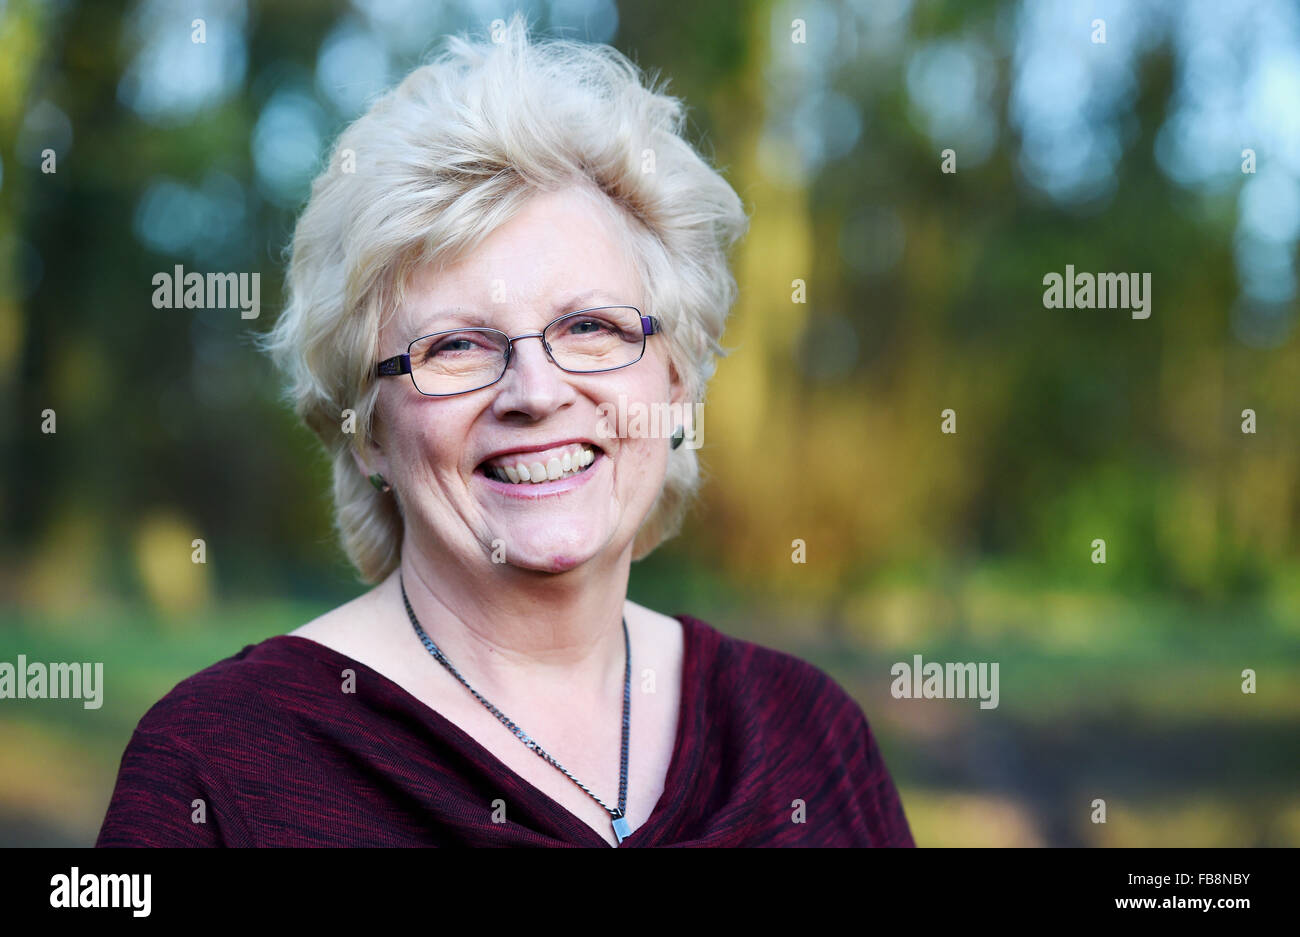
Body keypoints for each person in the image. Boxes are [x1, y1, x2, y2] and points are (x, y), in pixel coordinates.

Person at [96, 13, 914, 848]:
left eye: (592, 326)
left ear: (675, 380)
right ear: (368, 428)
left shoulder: (811, 741)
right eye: (454, 345)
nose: (535, 390)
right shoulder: (219, 767)